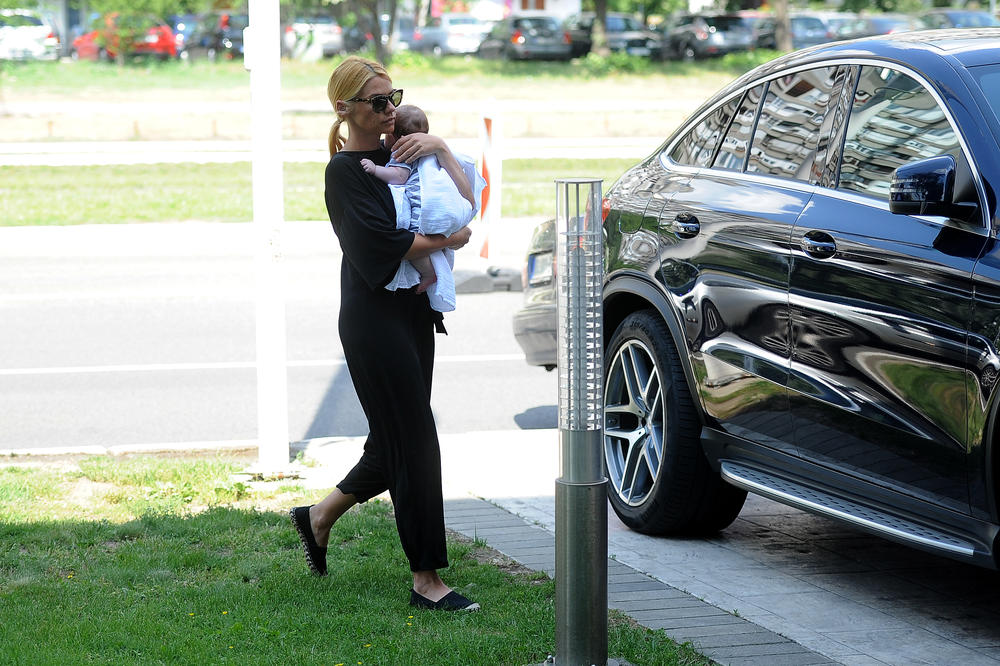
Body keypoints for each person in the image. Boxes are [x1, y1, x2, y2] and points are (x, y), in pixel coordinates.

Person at [289, 55, 480, 612]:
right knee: (416, 438)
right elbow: (381, 244)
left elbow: (464, 202)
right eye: (378, 102)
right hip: (373, 319)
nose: (390, 109)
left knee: (394, 438)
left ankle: (318, 517)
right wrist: (447, 240)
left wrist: (440, 148)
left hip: (415, 314)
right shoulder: (345, 172)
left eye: (393, 96)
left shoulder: (406, 149)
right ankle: (427, 581)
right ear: (344, 109)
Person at [360, 104, 483, 312]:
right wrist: (454, 237)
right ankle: (432, 272)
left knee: (416, 244)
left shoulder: (406, 153)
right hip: (395, 299)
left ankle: (429, 273)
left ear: (401, 138)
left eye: (390, 135)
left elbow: (469, 202)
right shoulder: (424, 152)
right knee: (417, 246)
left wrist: (440, 147)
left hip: (428, 217)